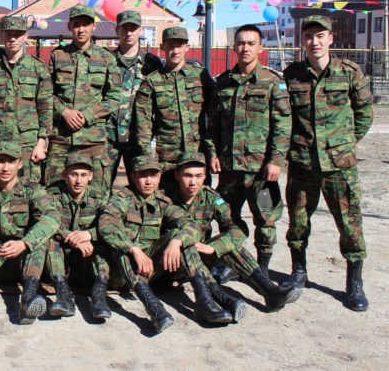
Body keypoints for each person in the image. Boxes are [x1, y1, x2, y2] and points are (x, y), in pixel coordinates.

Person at [282, 15, 373, 312]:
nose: (314, 42)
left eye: (320, 36)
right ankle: (299, 272)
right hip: (303, 164)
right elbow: (285, 116)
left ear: (330, 39)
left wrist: (344, 143)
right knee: (298, 223)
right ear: (302, 41)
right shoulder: (292, 75)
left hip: (339, 165)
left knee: (350, 225)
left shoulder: (349, 72)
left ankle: (354, 284)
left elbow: (364, 113)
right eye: (309, 36)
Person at [98, 155, 232, 333]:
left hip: (151, 271)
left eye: (153, 175)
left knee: (182, 239)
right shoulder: (121, 200)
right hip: (120, 275)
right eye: (143, 175)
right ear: (133, 176)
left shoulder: (163, 202)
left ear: (160, 177)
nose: (148, 181)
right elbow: (106, 225)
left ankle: (204, 302)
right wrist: (135, 250)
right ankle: (155, 310)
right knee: (122, 249)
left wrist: (175, 242)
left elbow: (189, 225)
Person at [171, 152, 299, 319]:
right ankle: (220, 300)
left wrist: (213, 247)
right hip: (170, 261)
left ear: (205, 177)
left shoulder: (210, 197)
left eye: (198, 176)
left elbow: (238, 228)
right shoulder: (166, 198)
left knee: (227, 244)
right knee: (185, 244)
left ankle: (269, 290)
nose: (193, 182)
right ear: (176, 175)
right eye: (187, 175)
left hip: (196, 259)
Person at [206, 24, 290, 275]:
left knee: (265, 219)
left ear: (260, 48)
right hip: (230, 167)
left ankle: (262, 267)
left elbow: (282, 124)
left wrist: (276, 160)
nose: (245, 48)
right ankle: (233, 262)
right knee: (227, 217)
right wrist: (212, 153)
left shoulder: (272, 82)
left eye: (251, 43)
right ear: (234, 47)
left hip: (261, 169)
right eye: (241, 43)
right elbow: (212, 124)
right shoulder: (223, 83)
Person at [0, 141, 60, 325]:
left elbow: (52, 218)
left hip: (24, 261)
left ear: (20, 164)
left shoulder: (33, 190)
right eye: (1, 161)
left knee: (39, 240)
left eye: (11, 162)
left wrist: (24, 243)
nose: (5, 168)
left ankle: (28, 299)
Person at [46, 4, 122, 189]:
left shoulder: (106, 58)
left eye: (86, 24)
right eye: (76, 24)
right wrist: (63, 112)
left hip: (92, 139)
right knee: (54, 188)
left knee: (96, 192)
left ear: (94, 26)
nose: (81, 29)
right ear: (69, 26)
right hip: (61, 138)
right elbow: (45, 93)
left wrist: (88, 115)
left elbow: (114, 96)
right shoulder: (58, 56)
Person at [133, 25, 214, 194]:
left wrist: (212, 150)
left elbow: (215, 114)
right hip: (168, 157)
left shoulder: (201, 77)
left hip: (197, 153)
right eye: (170, 46)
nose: (175, 51)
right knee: (167, 201)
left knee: (199, 201)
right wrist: (148, 155)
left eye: (179, 46)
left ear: (187, 47)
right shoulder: (152, 81)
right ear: (162, 47)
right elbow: (143, 121)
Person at [0, 15, 52, 184]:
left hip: (28, 142)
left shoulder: (38, 67)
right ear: (2, 35)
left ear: (26, 36)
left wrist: (41, 143)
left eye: (17, 34)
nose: (13, 38)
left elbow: (46, 107)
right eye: (8, 34)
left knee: (29, 187)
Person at [44, 153, 111, 320]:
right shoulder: (52, 195)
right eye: (74, 174)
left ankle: (99, 297)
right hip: (61, 260)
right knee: (50, 241)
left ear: (91, 176)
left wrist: (88, 234)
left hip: (88, 259)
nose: (78, 181)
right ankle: (63, 295)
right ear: (65, 174)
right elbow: (44, 220)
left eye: (83, 175)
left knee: (102, 244)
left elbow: (111, 225)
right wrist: (72, 239)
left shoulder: (99, 198)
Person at [106, 10, 161, 189]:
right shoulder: (107, 60)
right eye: (124, 28)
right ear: (117, 30)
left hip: (138, 137)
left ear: (140, 31)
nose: (129, 33)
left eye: (133, 28)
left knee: (140, 187)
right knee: (101, 187)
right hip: (109, 135)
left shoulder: (152, 63)